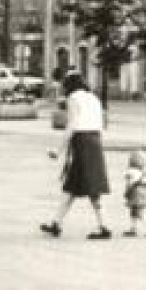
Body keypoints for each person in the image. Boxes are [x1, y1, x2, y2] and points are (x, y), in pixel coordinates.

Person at [40, 72, 112, 239]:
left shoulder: (73, 98)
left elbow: (72, 124)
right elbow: (101, 123)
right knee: (72, 185)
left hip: (82, 141)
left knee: (89, 187)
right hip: (95, 139)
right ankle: (56, 223)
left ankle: (104, 226)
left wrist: (59, 151)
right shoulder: (94, 98)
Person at [123, 150, 146, 237]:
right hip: (145, 194)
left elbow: (130, 184)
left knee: (138, 213)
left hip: (135, 194)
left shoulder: (130, 172)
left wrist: (126, 193)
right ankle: (133, 228)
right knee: (134, 212)